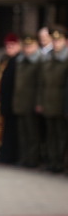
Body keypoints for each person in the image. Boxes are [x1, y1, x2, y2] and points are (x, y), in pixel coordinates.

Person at [37, 26, 68, 173]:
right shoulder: (47, 58)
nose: (56, 44)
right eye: (54, 40)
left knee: (61, 136)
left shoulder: (65, 59)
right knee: (51, 135)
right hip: (49, 102)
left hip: (61, 103)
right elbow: (41, 83)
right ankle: (52, 162)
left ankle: (60, 164)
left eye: (59, 40)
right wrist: (40, 102)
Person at [12, 34, 42, 168]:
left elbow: (40, 84)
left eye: (31, 46)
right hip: (20, 102)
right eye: (26, 46)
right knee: (23, 133)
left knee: (33, 134)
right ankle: (24, 158)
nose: (28, 49)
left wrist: (38, 102)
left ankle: (32, 160)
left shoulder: (39, 61)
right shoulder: (21, 60)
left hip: (31, 102)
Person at [0, 33, 20, 163]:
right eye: (7, 46)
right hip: (3, 101)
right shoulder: (5, 60)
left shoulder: (18, 61)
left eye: (12, 45)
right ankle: (5, 155)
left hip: (13, 102)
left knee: (11, 131)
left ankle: (10, 156)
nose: (9, 48)